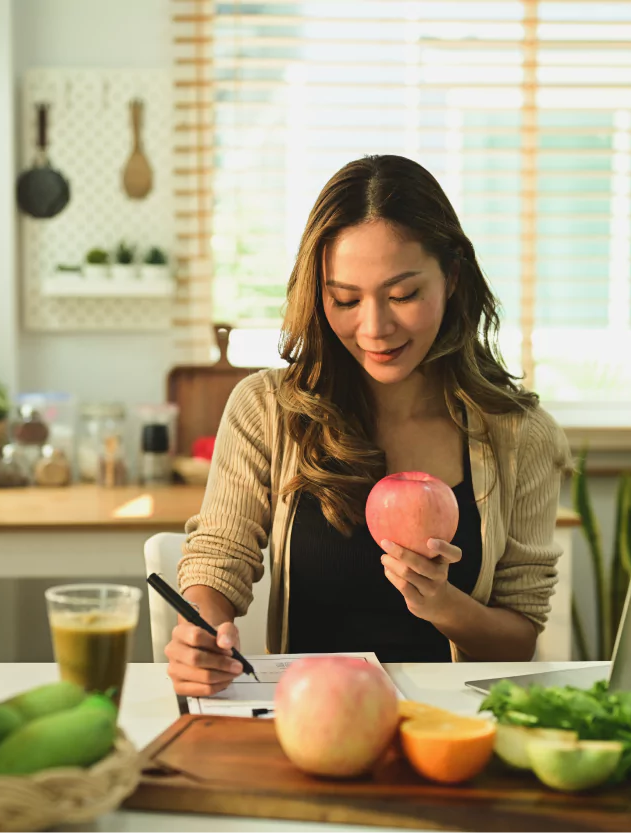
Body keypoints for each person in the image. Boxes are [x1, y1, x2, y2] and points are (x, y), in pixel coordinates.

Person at [166, 155, 573, 696]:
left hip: (447, 729)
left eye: (403, 295)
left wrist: (444, 605)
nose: (375, 328)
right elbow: (221, 556)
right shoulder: (266, 409)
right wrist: (201, 627)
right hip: (310, 716)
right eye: (345, 300)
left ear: (452, 277)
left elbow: (517, 642)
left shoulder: (522, 436)